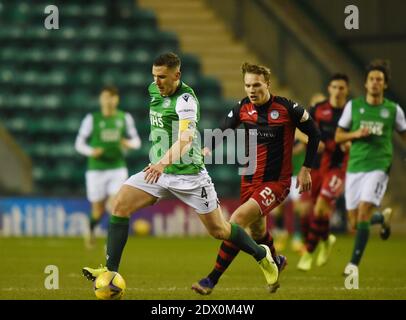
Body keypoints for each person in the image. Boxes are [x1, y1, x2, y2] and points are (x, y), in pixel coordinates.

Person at [82, 53, 280, 291]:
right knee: (120, 205)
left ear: (177, 75)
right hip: (158, 173)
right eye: (154, 76)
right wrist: (160, 163)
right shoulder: (154, 90)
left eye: (163, 77)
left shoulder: (186, 100)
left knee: (219, 230)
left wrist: (162, 162)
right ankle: (110, 270)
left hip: (189, 175)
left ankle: (261, 254)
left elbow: (186, 138)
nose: (157, 82)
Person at [191, 62, 320, 295]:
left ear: (267, 84)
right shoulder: (243, 107)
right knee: (258, 231)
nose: (252, 90)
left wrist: (306, 168)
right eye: (248, 85)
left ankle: (211, 279)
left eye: (257, 85)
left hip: (276, 183)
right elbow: (223, 129)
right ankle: (277, 261)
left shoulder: (288, 108)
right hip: (249, 180)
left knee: (237, 220)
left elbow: (315, 132)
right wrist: (207, 148)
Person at [335, 60, 406, 275]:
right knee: (354, 222)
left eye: (379, 80)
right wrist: (355, 134)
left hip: (379, 165)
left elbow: (404, 134)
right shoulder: (353, 106)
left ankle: (353, 265)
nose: (375, 83)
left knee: (365, 209)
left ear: (384, 85)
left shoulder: (393, 110)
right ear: (366, 84)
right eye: (372, 79)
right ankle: (381, 219)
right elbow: (338, 136)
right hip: (356, 166)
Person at [75, 85, 141, 248]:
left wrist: (128, 143)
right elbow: (79, 143)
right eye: (105, 97)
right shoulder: (92, 119)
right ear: (100, 99)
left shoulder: (124, 118)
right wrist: (91, 151)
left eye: (112, 97)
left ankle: (110, 242)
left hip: (117, 167)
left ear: (117, 99)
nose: (109, 100)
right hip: (96, 169)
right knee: (97, 210)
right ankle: (90, 229)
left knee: (115, 205)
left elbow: (137, 142)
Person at [296, 74, 351, 271]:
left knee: (320, 208)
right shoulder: (319, 109)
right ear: (329, 88)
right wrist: (311, 142)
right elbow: (298, 130)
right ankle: (326, 240)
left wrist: (350, 143)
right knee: (317, 211)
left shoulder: (350, 111)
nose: (338, 91)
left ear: (347, 90)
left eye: (342, 88)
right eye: (334, 87)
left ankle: (309, 251)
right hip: (316, 167)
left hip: (337, 167)